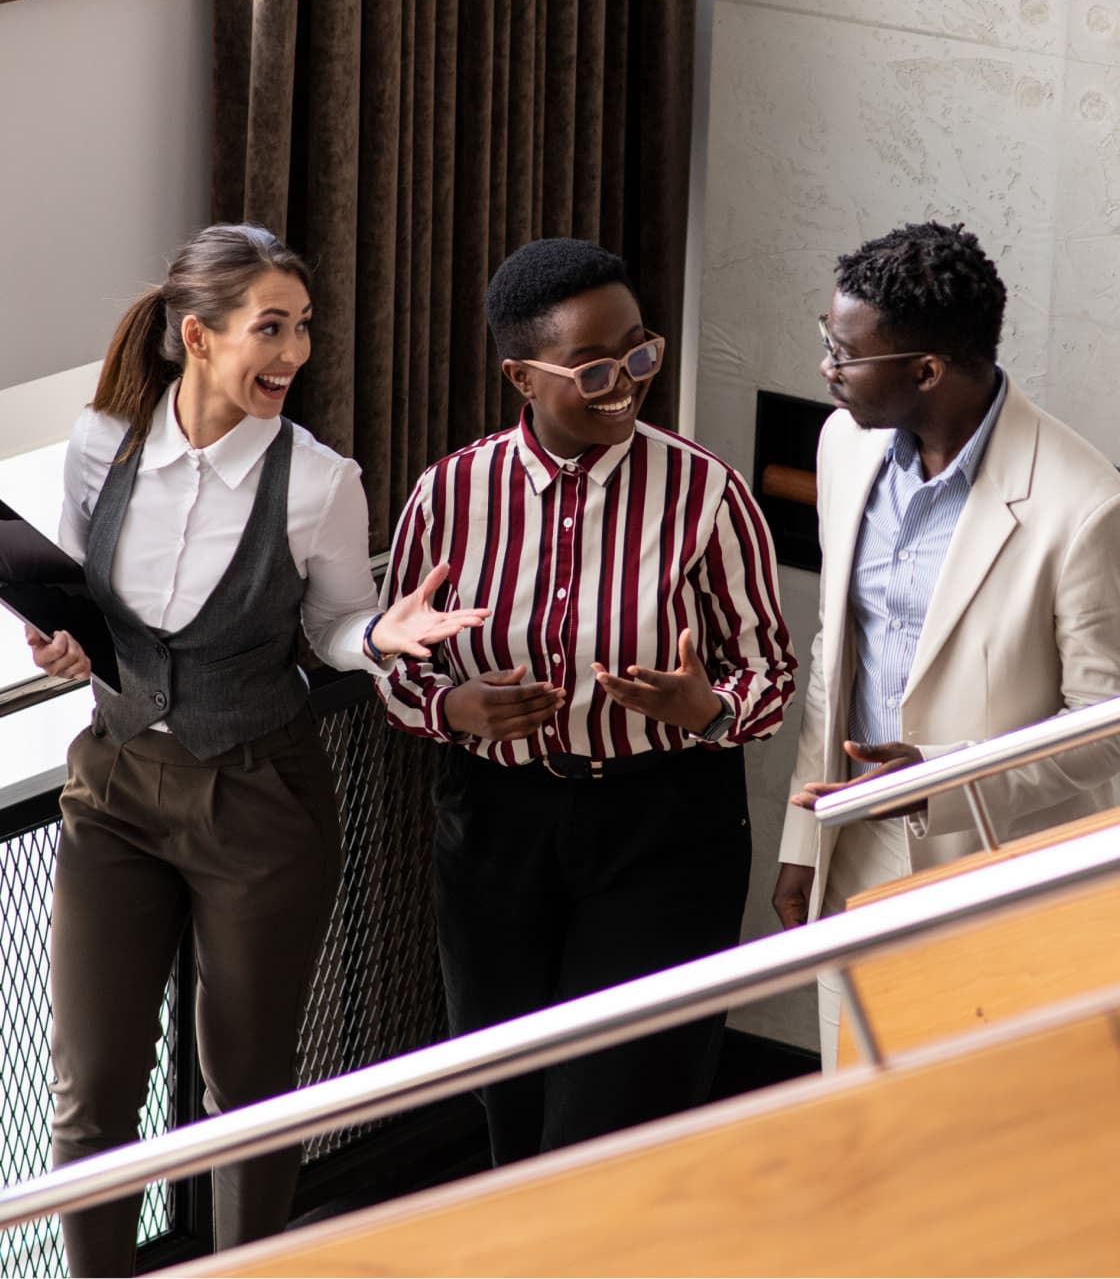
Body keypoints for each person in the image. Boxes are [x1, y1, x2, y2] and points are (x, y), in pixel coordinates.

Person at [26, 223, 488, 1277]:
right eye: (271, 329)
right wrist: (54, 644)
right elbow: (75, 607)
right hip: (115, 789)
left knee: (248, 1088)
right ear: (198, 335)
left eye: (304, 329)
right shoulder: (102, 446)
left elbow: (332, 627)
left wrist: (378, 637)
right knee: (89, 1090)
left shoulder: (318, 481)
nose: (296, 352)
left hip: (260, 801)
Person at [377, 237, 796, 1165]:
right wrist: (456, 712)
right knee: (512, 1110)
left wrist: (708, 710)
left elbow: (768, 671)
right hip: (493, 829)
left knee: (616, 1118)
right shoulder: (449, 496)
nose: (626, 382)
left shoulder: (706, 494)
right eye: (595, 366)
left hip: (665, 829)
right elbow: (399, 664)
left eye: (640, 352)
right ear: (521, 377)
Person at [771, 221, 1120, 1067]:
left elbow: (1102, 727)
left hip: (990, 865)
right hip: (850, 845)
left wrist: (941, 780)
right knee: (853, 1110)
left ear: (926, 370)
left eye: (845, 353)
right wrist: (801, 841)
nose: (827, 367)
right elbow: (833, 656)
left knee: (961, 1135)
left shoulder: (1084, 504)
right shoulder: (842, 446)